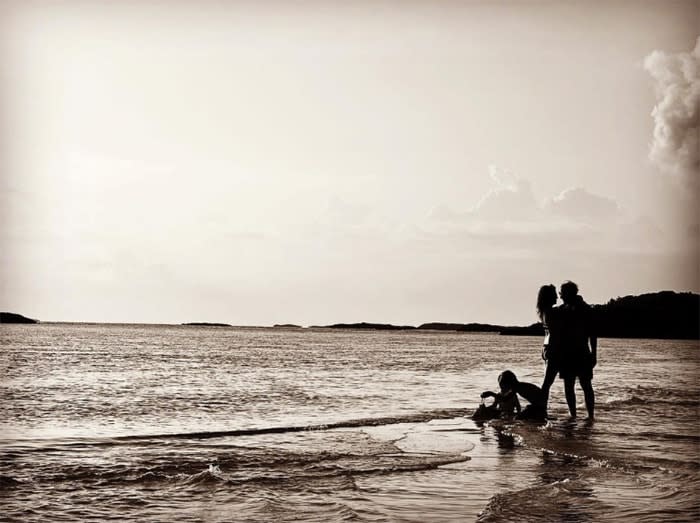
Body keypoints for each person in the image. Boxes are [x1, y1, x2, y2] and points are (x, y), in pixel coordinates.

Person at [558, 281, 597, 420]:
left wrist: (594, 354)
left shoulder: (585, 309)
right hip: (567, 354)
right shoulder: (562, 309)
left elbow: (593, 333)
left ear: (570, 293)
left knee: (585, 385)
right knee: (569, 386)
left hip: (582, 352)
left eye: (561, 293)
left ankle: (590, 415)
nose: (560, 296)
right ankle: (573, 415)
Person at [480, 370, 547, 421]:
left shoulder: (518, 387)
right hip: (539, 406)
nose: (502, 389)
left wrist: (491, 393)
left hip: (538, 407)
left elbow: (504, 399)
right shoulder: (517, 386)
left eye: (503, 386)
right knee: (520, 417)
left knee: (518, 419)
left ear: (509, 383)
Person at [537, 284, 561, 414]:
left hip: (547, 346)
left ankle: (542, 407)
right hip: (553, 348)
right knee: (547, 383)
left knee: (547, 383)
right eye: (554, 294)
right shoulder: (552, 312)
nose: (557, 297)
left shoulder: (544, 311)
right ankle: (542, 408)